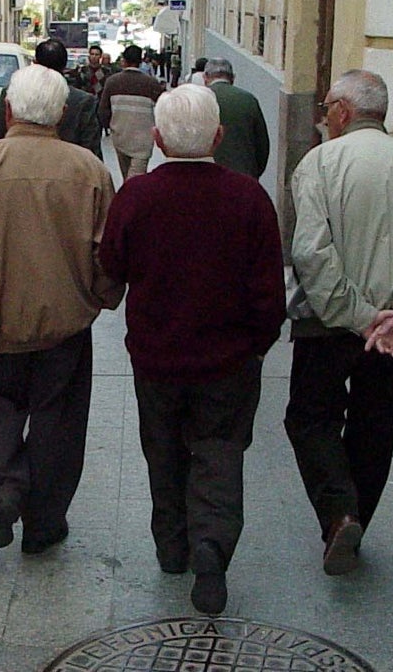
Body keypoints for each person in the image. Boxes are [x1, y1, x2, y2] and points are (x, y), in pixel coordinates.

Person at [100, 84, 286, 615]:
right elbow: (268, 292)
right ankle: (212, 545)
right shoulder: (249, 198)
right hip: (228, 362)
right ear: (220, 136)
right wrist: (255, 347)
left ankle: (172, 547)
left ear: (157, 139)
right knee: (220, 452)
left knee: (163, 451)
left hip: (157, 359)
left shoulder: (136, 197)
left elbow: (112, 265)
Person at [0, 64, 124, 555]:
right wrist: (102, 295)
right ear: (59, 113)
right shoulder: (89, 171)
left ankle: (1, 493)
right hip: (64, 327)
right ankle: (44, 522)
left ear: (9, 109)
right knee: (59, 420)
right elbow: (107, 254)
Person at [285, 69, 393, 575]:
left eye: (324, 110)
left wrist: (359, 316)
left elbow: (310, 253)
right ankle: (354, 521)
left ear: (341, 111)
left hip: (328, 324)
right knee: (374, 425)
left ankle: (341, 514)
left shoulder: (320, 164)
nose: (321, 120)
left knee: (310, 418)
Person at [0, 38, 102, 158]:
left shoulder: (12, 92)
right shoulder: (82, 101)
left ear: (35, 62)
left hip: (16, 163)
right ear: (64, 66)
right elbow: (91, 149)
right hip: (67, 168)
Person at [97, 44, 165, 182]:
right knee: (135, 180)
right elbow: (164, 107)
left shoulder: (112, 82)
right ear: (140, 61)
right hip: (143, 141)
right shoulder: (151, 83)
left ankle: (130, 200)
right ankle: (132, 200)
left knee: (127, 177)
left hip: (120, 136)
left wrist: (109, 126)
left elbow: (103, 110)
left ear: (124, 60)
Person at [204, 58, 270, 180]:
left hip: (206, 178)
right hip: (243, 177)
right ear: (233, 78)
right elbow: (262, 145)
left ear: (205, 77)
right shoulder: (249, 100)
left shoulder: (198, 100)